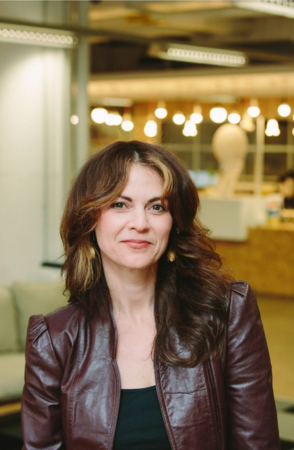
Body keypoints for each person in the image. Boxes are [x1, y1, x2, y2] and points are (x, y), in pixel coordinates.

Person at [21, 140, 280, 449]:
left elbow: (258, 444)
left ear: (174, 223)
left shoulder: (228, 312)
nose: (140, 224)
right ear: (90, 218)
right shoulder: (54, 339)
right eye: (120, 204)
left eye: (157, 207)